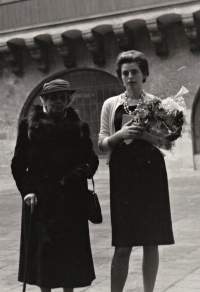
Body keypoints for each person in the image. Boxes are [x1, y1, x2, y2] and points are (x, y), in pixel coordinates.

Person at [11, 79, 99, 292]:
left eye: (62, 97)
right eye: (52, 97)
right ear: (43, 100)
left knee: (70, 261)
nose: (57, 102)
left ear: (69, 100)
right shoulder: (29, 126)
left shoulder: (79, 127)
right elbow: (18, 164)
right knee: (44, 262)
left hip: (71, 201)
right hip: (41, 203)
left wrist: (81, 172)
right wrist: (28, 191)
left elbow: (92, 159)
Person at [98, 50, 174, 292]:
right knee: (123, 244)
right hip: (123, 176)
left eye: (135, 72)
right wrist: (119, 135)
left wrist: (147, 135)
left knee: (151, 242)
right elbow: (101, 143)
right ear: (121, 77)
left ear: (145, 75)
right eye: (125, 73)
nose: (130, 77)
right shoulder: (111, 104)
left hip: (151, 174)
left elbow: (167, 143)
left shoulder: (155, 104)